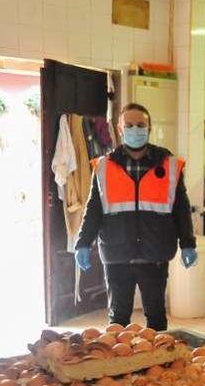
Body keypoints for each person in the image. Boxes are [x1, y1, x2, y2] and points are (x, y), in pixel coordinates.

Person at [75, 103, 196, 331]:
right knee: (118, 320)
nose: (135, 129)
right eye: (129, 125)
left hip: (155, 254)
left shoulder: (169, 165)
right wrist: (82, 242)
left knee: (156, 319)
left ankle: (157, 365)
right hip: (116, 253)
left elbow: (181, 208)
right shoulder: (103, 166)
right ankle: (119, 365)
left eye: (140, 125)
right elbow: (94, 209)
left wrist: (188, 242)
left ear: (149, 128)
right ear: (120, 130)